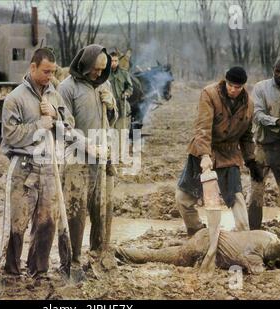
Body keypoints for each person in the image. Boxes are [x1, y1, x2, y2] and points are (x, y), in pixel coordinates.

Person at [0, 48, 76, 278]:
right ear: (32, 67)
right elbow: (10, 135)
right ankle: (11, 271)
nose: (50, 77)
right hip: (23, 166)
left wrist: (55, 115)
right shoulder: (15, 98)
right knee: (18, 222)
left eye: (53, 72)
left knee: (47, 221)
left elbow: (70, 125)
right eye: (45, 71)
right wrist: (38, 126)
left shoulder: (55, 95)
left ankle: (38, 270)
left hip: (49, 164)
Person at [175, 66, 260, 235]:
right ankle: (196, 232)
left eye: (238, 87)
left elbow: (246, 136)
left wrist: (250, 160)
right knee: (183, 198)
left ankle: (244, 236)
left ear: (243, 86)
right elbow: (203, 127)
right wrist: (204, 156)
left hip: (229, 154)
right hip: (202, 150)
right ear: (225, 81)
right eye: (230, 85)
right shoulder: (210, 94)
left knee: (236, 197)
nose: (233, 90)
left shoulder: (248, 104)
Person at [58, 44, 118, 269]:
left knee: (103, 208)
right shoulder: (67, 88)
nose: (98, 73)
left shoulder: (105, 84)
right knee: (76, 211)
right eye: (95, 69)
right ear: (84, 64)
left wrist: (111, 105)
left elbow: (111, 120)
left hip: (103, 157)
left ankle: (98, 254)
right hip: (77, 159)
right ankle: (71, 260)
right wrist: (87, 147)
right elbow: (63, 128)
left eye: (103, 69)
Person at [115, 228, 280, 274]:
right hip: (206, 243)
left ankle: (120, 251)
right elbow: (254, 267)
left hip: (208, 236)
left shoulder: (267, 235)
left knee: (169, 252)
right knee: (157, 257)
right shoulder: (264, 248)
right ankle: (118, 252)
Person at [247, 58, 280, 230]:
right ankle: (254, 231)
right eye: (277, 72)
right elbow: (256, 114)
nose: (279, 75)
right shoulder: (261, 87)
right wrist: (276, 122)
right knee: (256, 192)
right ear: (273, 69)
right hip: (262, 148)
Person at [108, 51, 133, 133]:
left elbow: (130, 87)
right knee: (109, 130)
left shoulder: (124, 73)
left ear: (118, 61)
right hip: (109, 105)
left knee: (122, 129)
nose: (113, 63)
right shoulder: (105, 74)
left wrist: (127, 93)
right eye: (111, 61)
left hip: (122, 104)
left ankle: (122, 144)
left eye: (115, 61)